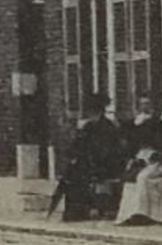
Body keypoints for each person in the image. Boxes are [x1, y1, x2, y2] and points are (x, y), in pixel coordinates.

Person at [47, 92, 123, 221]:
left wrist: (88, 157)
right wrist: (73, 154)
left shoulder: (107, 127)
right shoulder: (89, 126)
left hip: (105, 165)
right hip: (89, 162)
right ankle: (71, 211)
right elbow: (79, 144)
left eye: (93, 111)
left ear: (99, 111)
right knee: (70, 174)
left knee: (77, 175)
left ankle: (78, 211)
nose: (90, 114)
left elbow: (108, 150)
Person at [115, 97, 162, 225]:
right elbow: (129, 144)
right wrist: (134, 158)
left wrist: (157, 156)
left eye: (147, 104)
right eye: (142, 104)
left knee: (143, 178)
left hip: (155, 161)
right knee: (130, 179)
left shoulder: (159, 124)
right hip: (140, 158)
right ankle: (129, 213)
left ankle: (144, 213)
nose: (144, 107)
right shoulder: (134, 124)